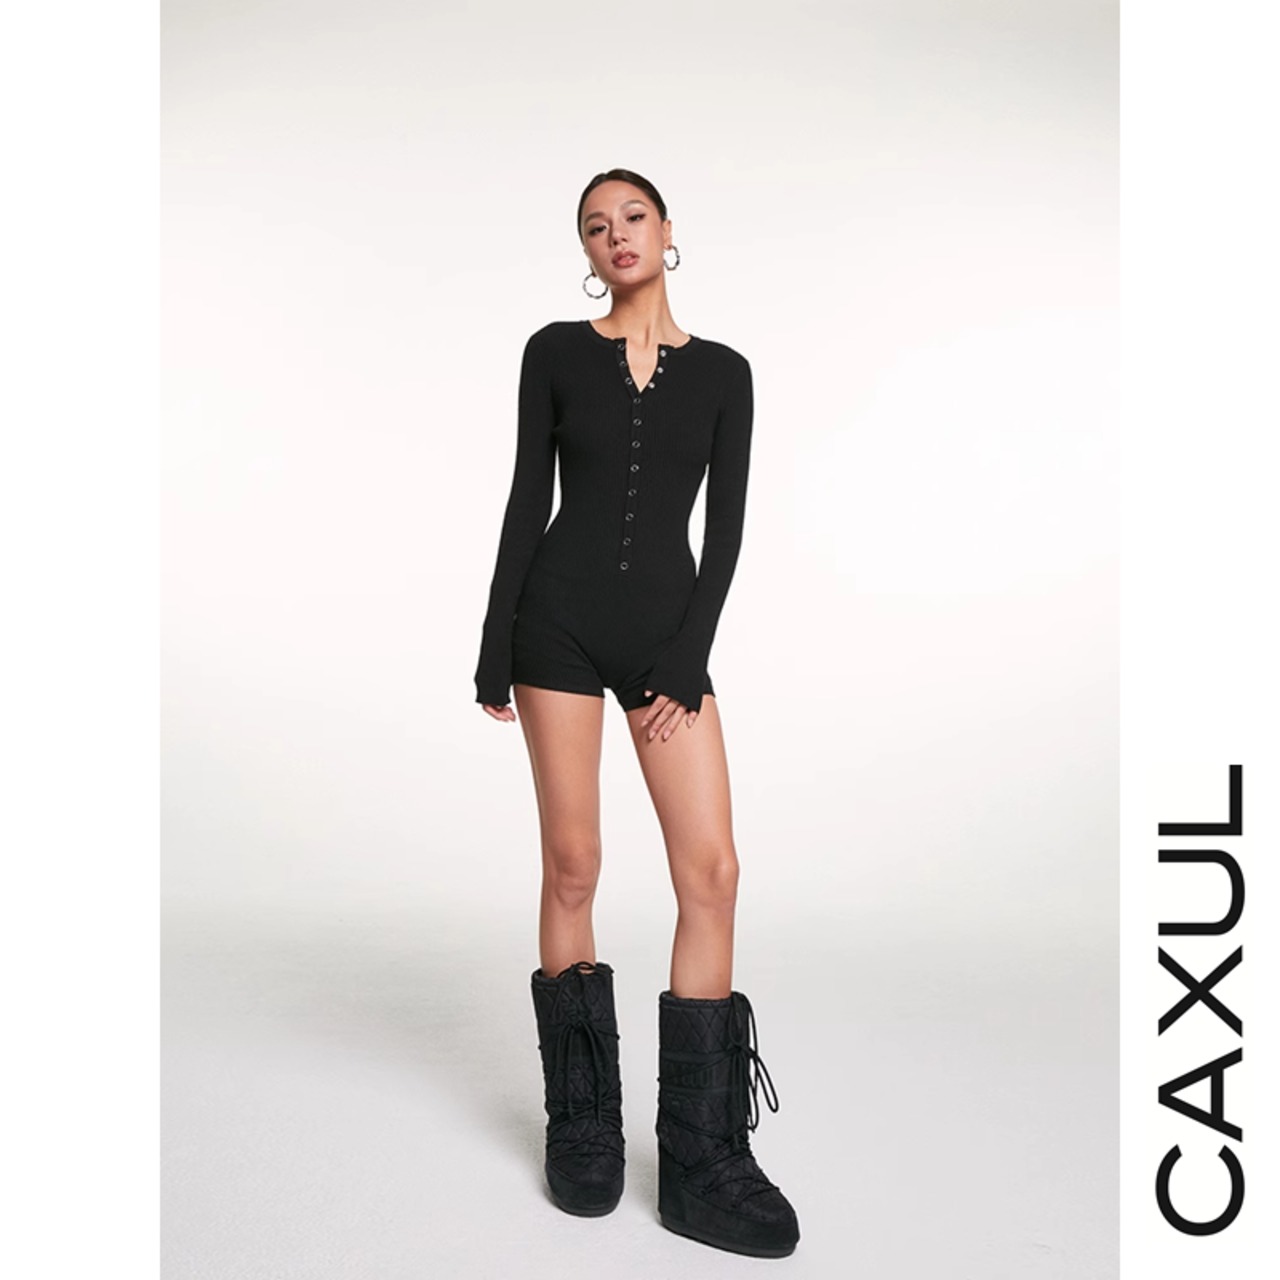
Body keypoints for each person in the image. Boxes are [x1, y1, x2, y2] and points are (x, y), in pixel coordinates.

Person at [473, 169, 800, 1258]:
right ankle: (584, 1121)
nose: (616, 235)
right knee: (573, 863)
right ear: (585, 252)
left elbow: (726, 530)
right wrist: (493, 645)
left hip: (667, 641)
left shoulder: (726, 373)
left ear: (666, 232)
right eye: (595, 226)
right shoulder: (553, 353)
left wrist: (686, 658)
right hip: (555, 630)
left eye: (633, 217)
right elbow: (527, 497)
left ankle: (702, 1156)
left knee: (712, 871)